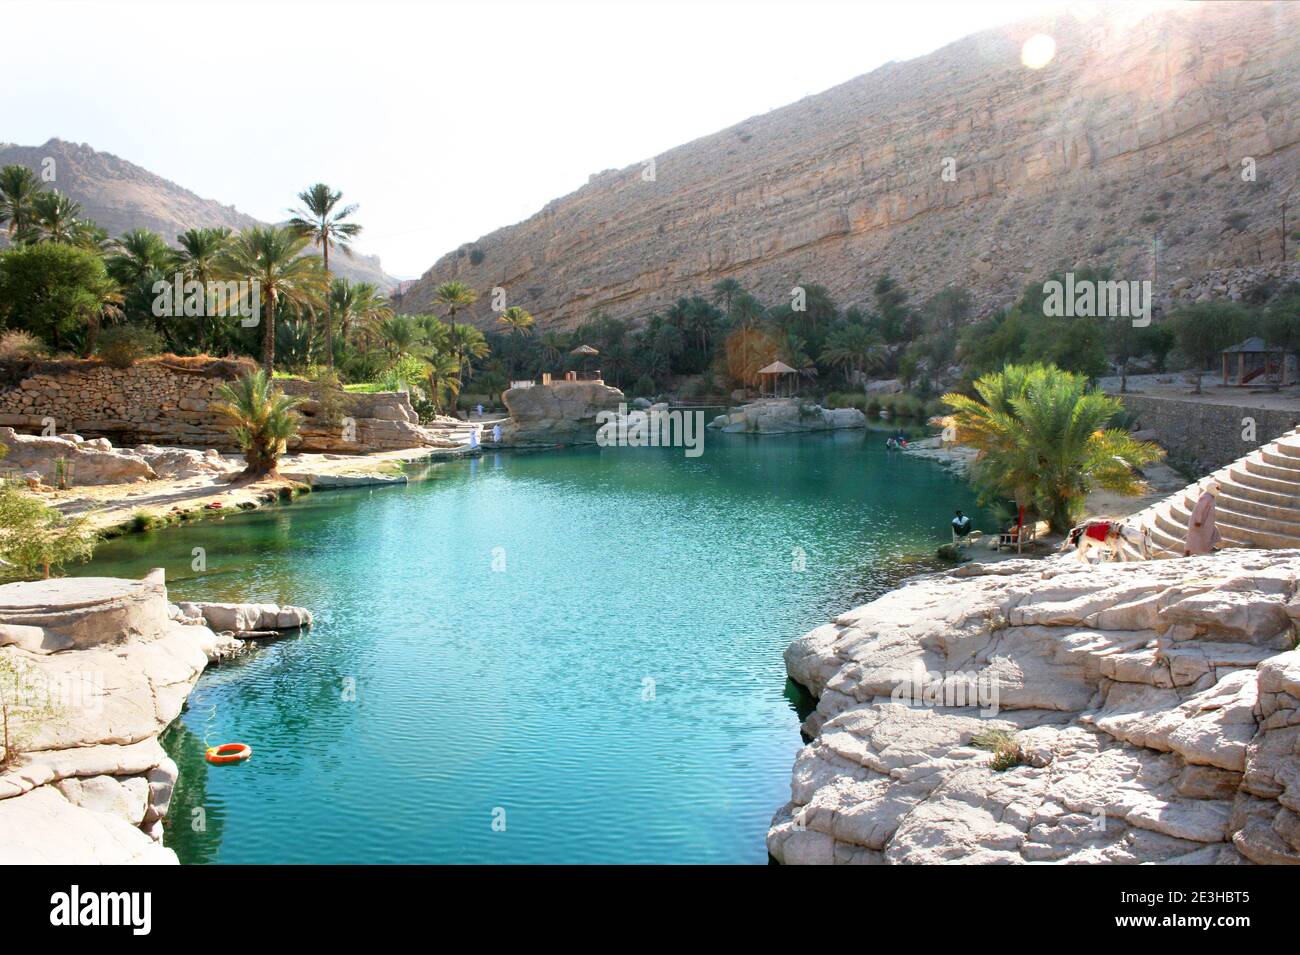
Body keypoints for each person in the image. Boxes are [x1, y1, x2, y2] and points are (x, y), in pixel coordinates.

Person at [1184, 480, 1222, 556]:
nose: (1218, 490)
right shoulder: (1205, 498)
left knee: (1212, 533)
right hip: (1200, 521)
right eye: (1217, 488)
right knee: (1193, 538)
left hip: (1207, 521)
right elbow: (1199, 510)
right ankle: (1187, 552)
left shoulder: (1210, 496)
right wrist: (1198, 522)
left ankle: (1210, 547)